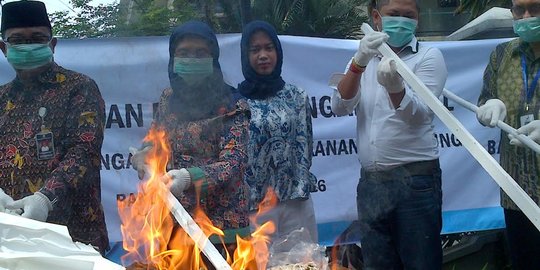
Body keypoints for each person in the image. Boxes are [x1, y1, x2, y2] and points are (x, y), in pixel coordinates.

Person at [331, 0, 448, 269]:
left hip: (415, 182)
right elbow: (339, 105)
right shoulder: (363, 56)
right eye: (394, 14)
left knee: (421, 263)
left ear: (418, 19)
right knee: (377, 264)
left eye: (409, 15)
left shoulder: (429, 56)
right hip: (372, 185)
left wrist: (396, 87)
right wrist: (359, 63)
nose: (401, 21)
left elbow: (419, 116)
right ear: (376, 17)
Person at [130, 21, 251, 261]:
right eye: (183, 53)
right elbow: (159, 137)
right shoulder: (168, 99)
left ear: (213, 58)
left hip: (222, 231)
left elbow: (233, 163)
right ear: (172, 58)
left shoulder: (233, 105)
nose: (191, 59)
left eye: (200, 53)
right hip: (176, 222)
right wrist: (146, 153)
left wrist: (188, 177)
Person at [0, 0, 109, 254]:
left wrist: (45, 199)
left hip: (74, 238)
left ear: (53, 44)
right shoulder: (2, 98)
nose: (28, 46)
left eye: (37, 38)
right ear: (4, 48)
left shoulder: (79, 88)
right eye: (18, 40)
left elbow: (84, 152)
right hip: (13, 239)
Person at [238, 20, 318, 251]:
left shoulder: (296, 96)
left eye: (269, 48)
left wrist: (300, 187)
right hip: (255, 207)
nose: (263, 55)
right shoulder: (235, 102)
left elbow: (306, 145)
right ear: (245, 55)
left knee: (304, 263)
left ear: (278, 52)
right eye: (255, 50)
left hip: (295, 203)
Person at [476, 0, 540, 268]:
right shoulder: (501, 55)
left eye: (535, 8)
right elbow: (485, 100)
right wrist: (489, 107)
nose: (525, 16)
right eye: (519, 9)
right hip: (517, 191)